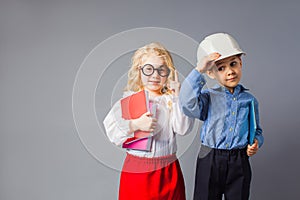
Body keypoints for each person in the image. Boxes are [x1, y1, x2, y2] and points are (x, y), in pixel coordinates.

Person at [103, 42, 194, 200]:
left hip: (168, 169)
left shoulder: (171, 101)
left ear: (168, 73)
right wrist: (135, 124)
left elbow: (183, 129)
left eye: (161, 70)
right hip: (138, 169)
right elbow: (113, 133)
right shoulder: (130, 100)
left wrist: (178, 96)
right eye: (149, 69)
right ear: (139, 70)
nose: (155, 76)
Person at [179, 33, 264, 200]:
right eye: (221, 68)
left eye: (233, 64)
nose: (230, 72)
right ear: (211, 73)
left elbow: (257, 130)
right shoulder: (208, 97)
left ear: (241, 63)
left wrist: (256, 142)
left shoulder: (250, 101)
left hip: (239, 160)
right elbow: (187, 104)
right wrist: (199, 70)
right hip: (210, 157)